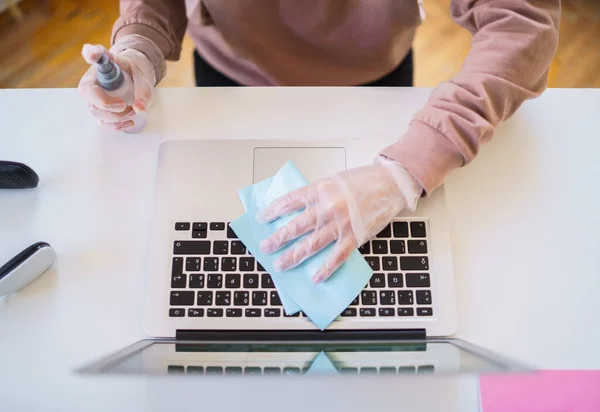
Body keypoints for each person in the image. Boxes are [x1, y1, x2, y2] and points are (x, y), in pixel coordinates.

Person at [78, 1, 560, 283]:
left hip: (374, 80)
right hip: (227, 78)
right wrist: (139, 44)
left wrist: (406, 169)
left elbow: (522, 21)